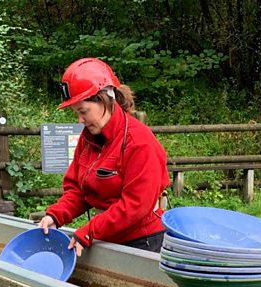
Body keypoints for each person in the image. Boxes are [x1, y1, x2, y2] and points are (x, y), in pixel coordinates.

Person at [38, 58, 170, 255]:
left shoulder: (140, 142)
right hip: (105, 237)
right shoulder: (89, 139)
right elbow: (78, 190)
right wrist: (56, 216)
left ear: (104, 98)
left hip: (142, 241)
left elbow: (135, 205)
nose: (80, 120)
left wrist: (90, 231)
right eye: (76, 113)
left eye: (83, 111)